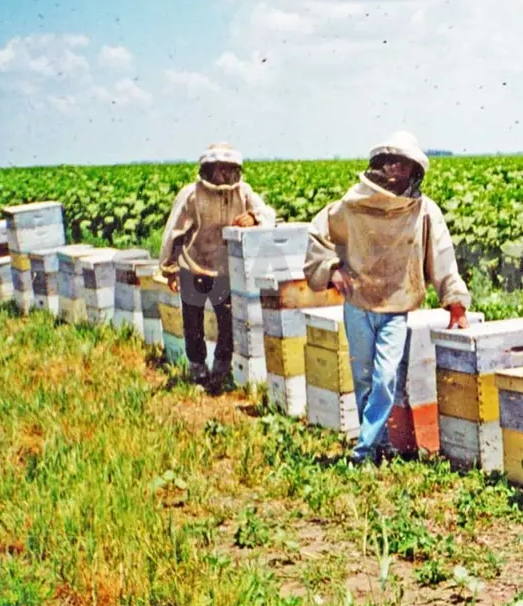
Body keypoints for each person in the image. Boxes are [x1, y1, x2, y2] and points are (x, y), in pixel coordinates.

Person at [304, 131, 472, 466]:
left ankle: (362, 450)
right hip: (357, 304)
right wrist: (332, 268)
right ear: (377, 164)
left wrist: (455, 302)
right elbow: (318, 235)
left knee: (384, 378)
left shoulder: (424, 210)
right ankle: (378, 445)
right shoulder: (351, 204)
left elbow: (441, 254)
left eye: (403, 164)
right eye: (389, 161)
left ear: (414, 171)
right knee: (364, 378)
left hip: (396, 306)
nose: (395, 169)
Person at [160, 142, 276, 393]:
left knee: (227, 323)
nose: (223, 175)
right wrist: (169, 268)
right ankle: (198, 369)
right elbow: (174, 231)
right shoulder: (191, 194)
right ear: (208, 169)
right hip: (193, 265)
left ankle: (221, 369)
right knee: (192, 321)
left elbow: (268, 213)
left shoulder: (244, 192)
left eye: (227, 169)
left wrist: (255, 218)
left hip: (225, 270)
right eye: (218, 169)